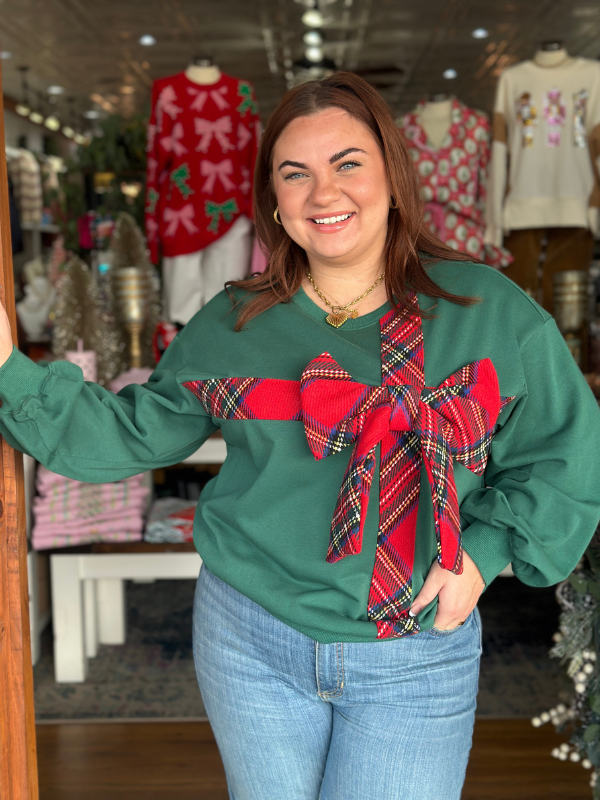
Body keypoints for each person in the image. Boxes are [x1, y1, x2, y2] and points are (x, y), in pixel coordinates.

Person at [0, 72, 599, 800]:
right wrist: (8, 368)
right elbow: (131, 433)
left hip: (411, 647)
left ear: (394, 179)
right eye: (296, 174)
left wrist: (483, 553)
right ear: (276, 206)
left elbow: (566, 451)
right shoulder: (233, 322)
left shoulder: (488, 311)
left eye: (348, 163)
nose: (325, 193)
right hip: (248, 635)